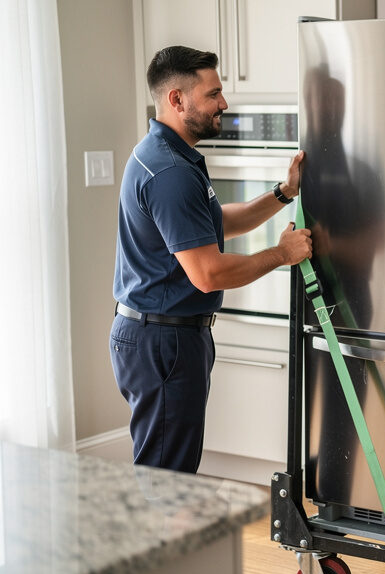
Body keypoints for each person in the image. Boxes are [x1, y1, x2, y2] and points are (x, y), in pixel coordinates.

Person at [110, 45, 312, 474]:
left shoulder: (164, 155)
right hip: (164, 340)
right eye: (213, 94)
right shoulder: (171, 173)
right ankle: (163, 543)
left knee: (165, 471)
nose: (224, 103)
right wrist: (281, 253)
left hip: (158, 334)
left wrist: (284, 192)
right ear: (177, 100)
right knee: (167, 480)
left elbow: (214, 224)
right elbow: (208, 273)